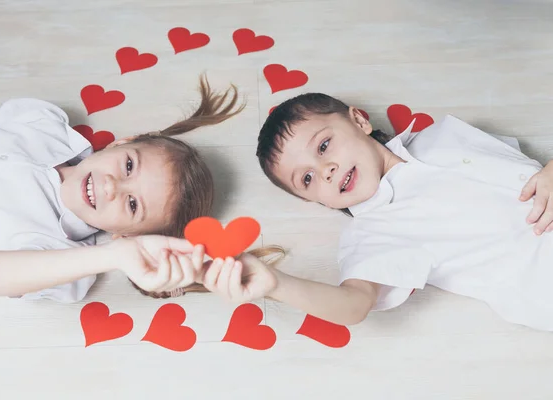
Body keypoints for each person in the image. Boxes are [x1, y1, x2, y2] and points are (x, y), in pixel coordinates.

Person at [199, 92, 553, 332]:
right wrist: (276, 285)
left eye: (324, 146)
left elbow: (523, 167)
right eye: (307, 178)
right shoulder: (375, 233)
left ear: (359, 120)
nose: (326, 170)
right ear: (315, 200)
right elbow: (354, 303)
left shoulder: (443, 135)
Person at [0, 74, 244, 303]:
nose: (111, 186)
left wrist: (117, 254)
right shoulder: (45, 124)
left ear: (126, 235)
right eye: (128, 166)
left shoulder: (60, 252)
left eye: (133, 204)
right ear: (122, 143)